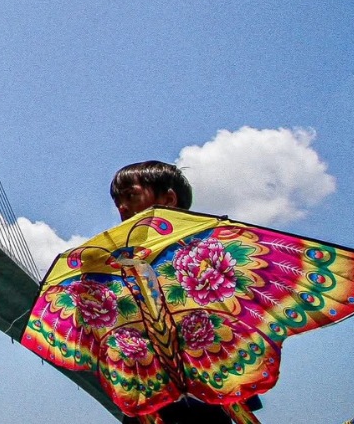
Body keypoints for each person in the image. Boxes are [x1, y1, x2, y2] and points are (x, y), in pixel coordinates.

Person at [110, 160, 262, 424]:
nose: (123, 208)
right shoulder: (119, 265)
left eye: (131, 196)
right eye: (118, 203)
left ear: (168, 199)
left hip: (210, 383)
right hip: (151, 390)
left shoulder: (208, 251)